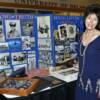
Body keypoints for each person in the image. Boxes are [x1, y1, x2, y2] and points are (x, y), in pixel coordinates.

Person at [75, 4, 100, 100]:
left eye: (95, 19)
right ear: (85, 18)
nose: (91, 22)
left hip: (95, 84)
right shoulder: (80, 36)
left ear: (98, 22)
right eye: (89, 18)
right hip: (81, 81)